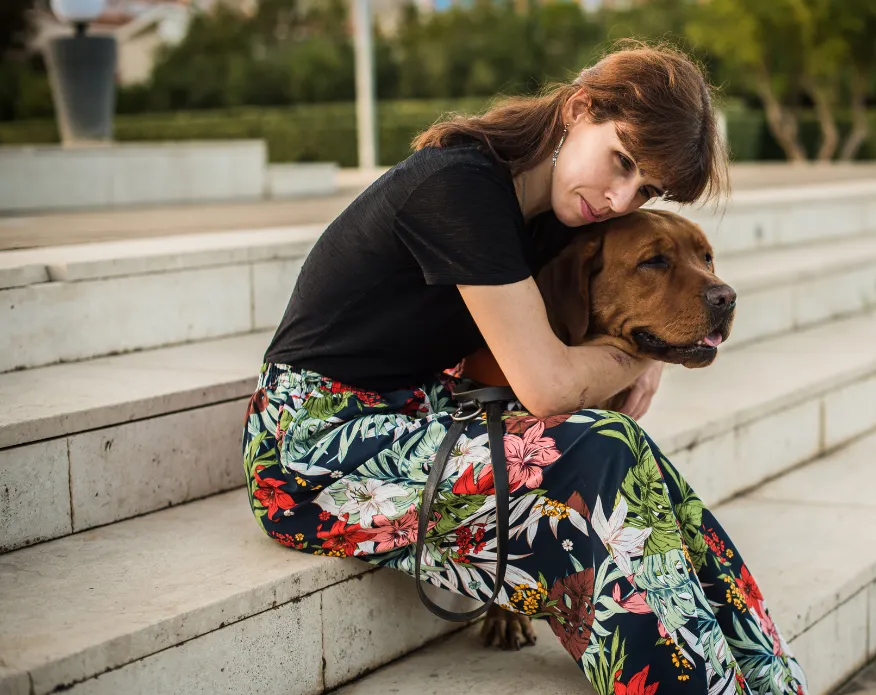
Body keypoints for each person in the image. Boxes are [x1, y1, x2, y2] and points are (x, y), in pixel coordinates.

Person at [241, 41, 809, 695]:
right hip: (313, 450)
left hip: (422, 423)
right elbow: (550, 388)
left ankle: (771, 682)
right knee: (597, 449)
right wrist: (645, 351)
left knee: (638, 485)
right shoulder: (458, 187)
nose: (620, 197)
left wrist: (650, 349)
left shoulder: (557, 216)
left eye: (645, 188)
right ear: (578, 108)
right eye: (621, 162)